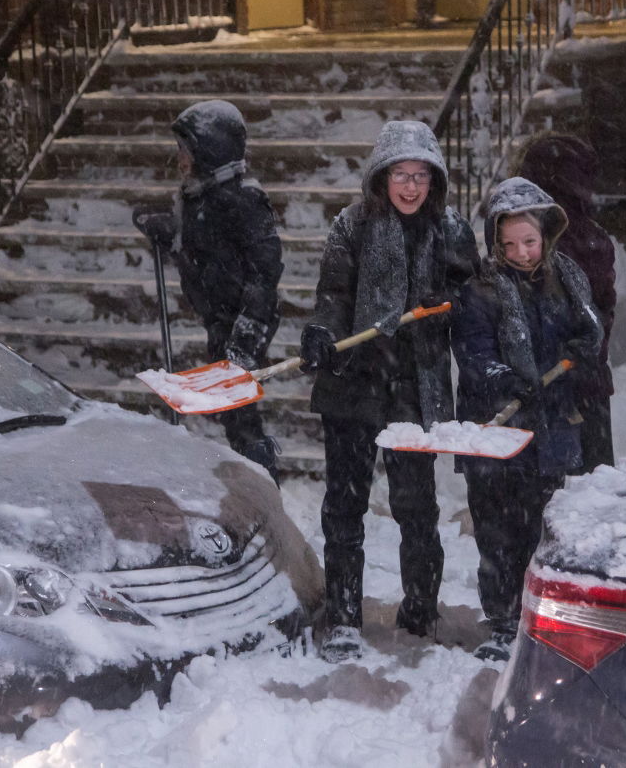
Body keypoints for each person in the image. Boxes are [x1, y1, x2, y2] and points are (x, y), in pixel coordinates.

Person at [299, 120, 479, 662]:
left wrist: (448, 298)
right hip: (354, 383)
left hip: (413, 388)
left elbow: (473, 302)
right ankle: (345, 618)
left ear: (435, 180)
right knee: (344, 507)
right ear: (381, 176)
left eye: (420, 176)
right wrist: (324, 335)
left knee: (416, 509)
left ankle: (420, 613)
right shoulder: (351, 226)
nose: (409, 187)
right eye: (400, 174)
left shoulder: (449, 231)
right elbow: (333, 295)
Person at [452, 177, 603, 662]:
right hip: (497, 429)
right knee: (498, 532)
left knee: (543, 527)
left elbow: (590, 328)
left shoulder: (567, 279)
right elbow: (473, 351)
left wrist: (579, 352)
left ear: (547, 236)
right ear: (495, 241)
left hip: (552, 428)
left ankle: (541, 619)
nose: (520, 252)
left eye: (530, 242)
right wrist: (506, 380)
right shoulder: (481, 290)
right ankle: (501, 623)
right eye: (509, 243)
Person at [170, 100, 284, 483]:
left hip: (244, 320)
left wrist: (247, 337)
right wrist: (169, 233)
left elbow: (266, 271)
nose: (179, 159)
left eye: (185, 150)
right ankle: (251, 471)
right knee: (232, 411)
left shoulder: (244, 200)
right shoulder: (199, 195)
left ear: (209, 149)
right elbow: (201, 245)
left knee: (239, 411)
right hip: (219, 316)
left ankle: (261, 478)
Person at [515, 133, 617, 472]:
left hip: (551, 384)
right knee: (591, 493)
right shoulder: (592, 238)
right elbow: (602, 312)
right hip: (583, 381)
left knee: (552, 491)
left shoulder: (529, 241)